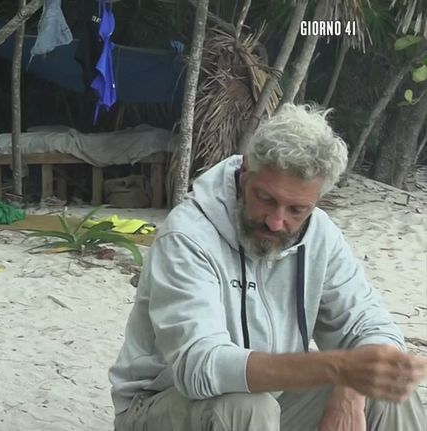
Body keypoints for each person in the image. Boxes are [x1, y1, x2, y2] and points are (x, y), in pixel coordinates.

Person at [109, 104, 427, 430]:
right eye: (266, 199)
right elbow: (199, 367)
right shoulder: (188, 234)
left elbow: (373, 326)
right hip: (159, 405)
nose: (276, 222)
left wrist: (352, 385)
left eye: (296, 209)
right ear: (245, 173)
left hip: (273, 404)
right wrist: (337, 367)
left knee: (388, 394)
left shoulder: (321, 236)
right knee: (244, 407)